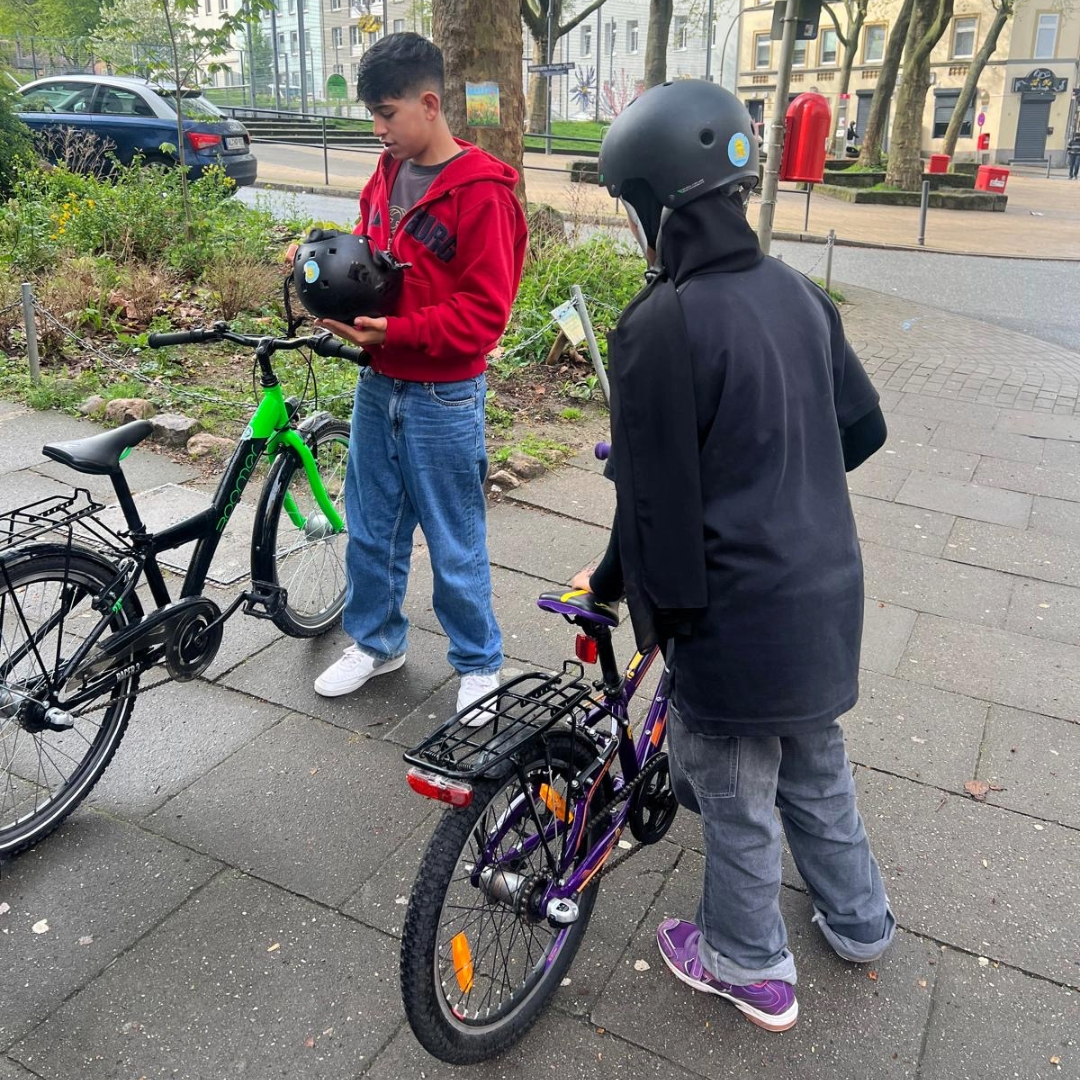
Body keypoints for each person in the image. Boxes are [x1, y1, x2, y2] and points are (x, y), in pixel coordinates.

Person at [578, 80, 894, 1032]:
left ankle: (748, 962)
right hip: (825, 594)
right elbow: (861, 430)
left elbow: (655, 511)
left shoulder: (658, 323)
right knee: (814, 757)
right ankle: (861, 920)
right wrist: (767, 458)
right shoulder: (798, 292)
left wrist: (613, 594)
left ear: (658, 205)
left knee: (733, 785)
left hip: (731, 614)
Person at [311, 33, 528, 718]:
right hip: (379, 387)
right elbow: (376, 257)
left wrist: (397, 331)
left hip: (444, 397)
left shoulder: (483, 195)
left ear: (429, 104)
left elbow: (484, 317)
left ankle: (479, 664)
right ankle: (377, 644)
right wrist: (335, 279)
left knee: (453, 539)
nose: (378, 131)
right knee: (372, 529)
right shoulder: (387, 173)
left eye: (386, 114)